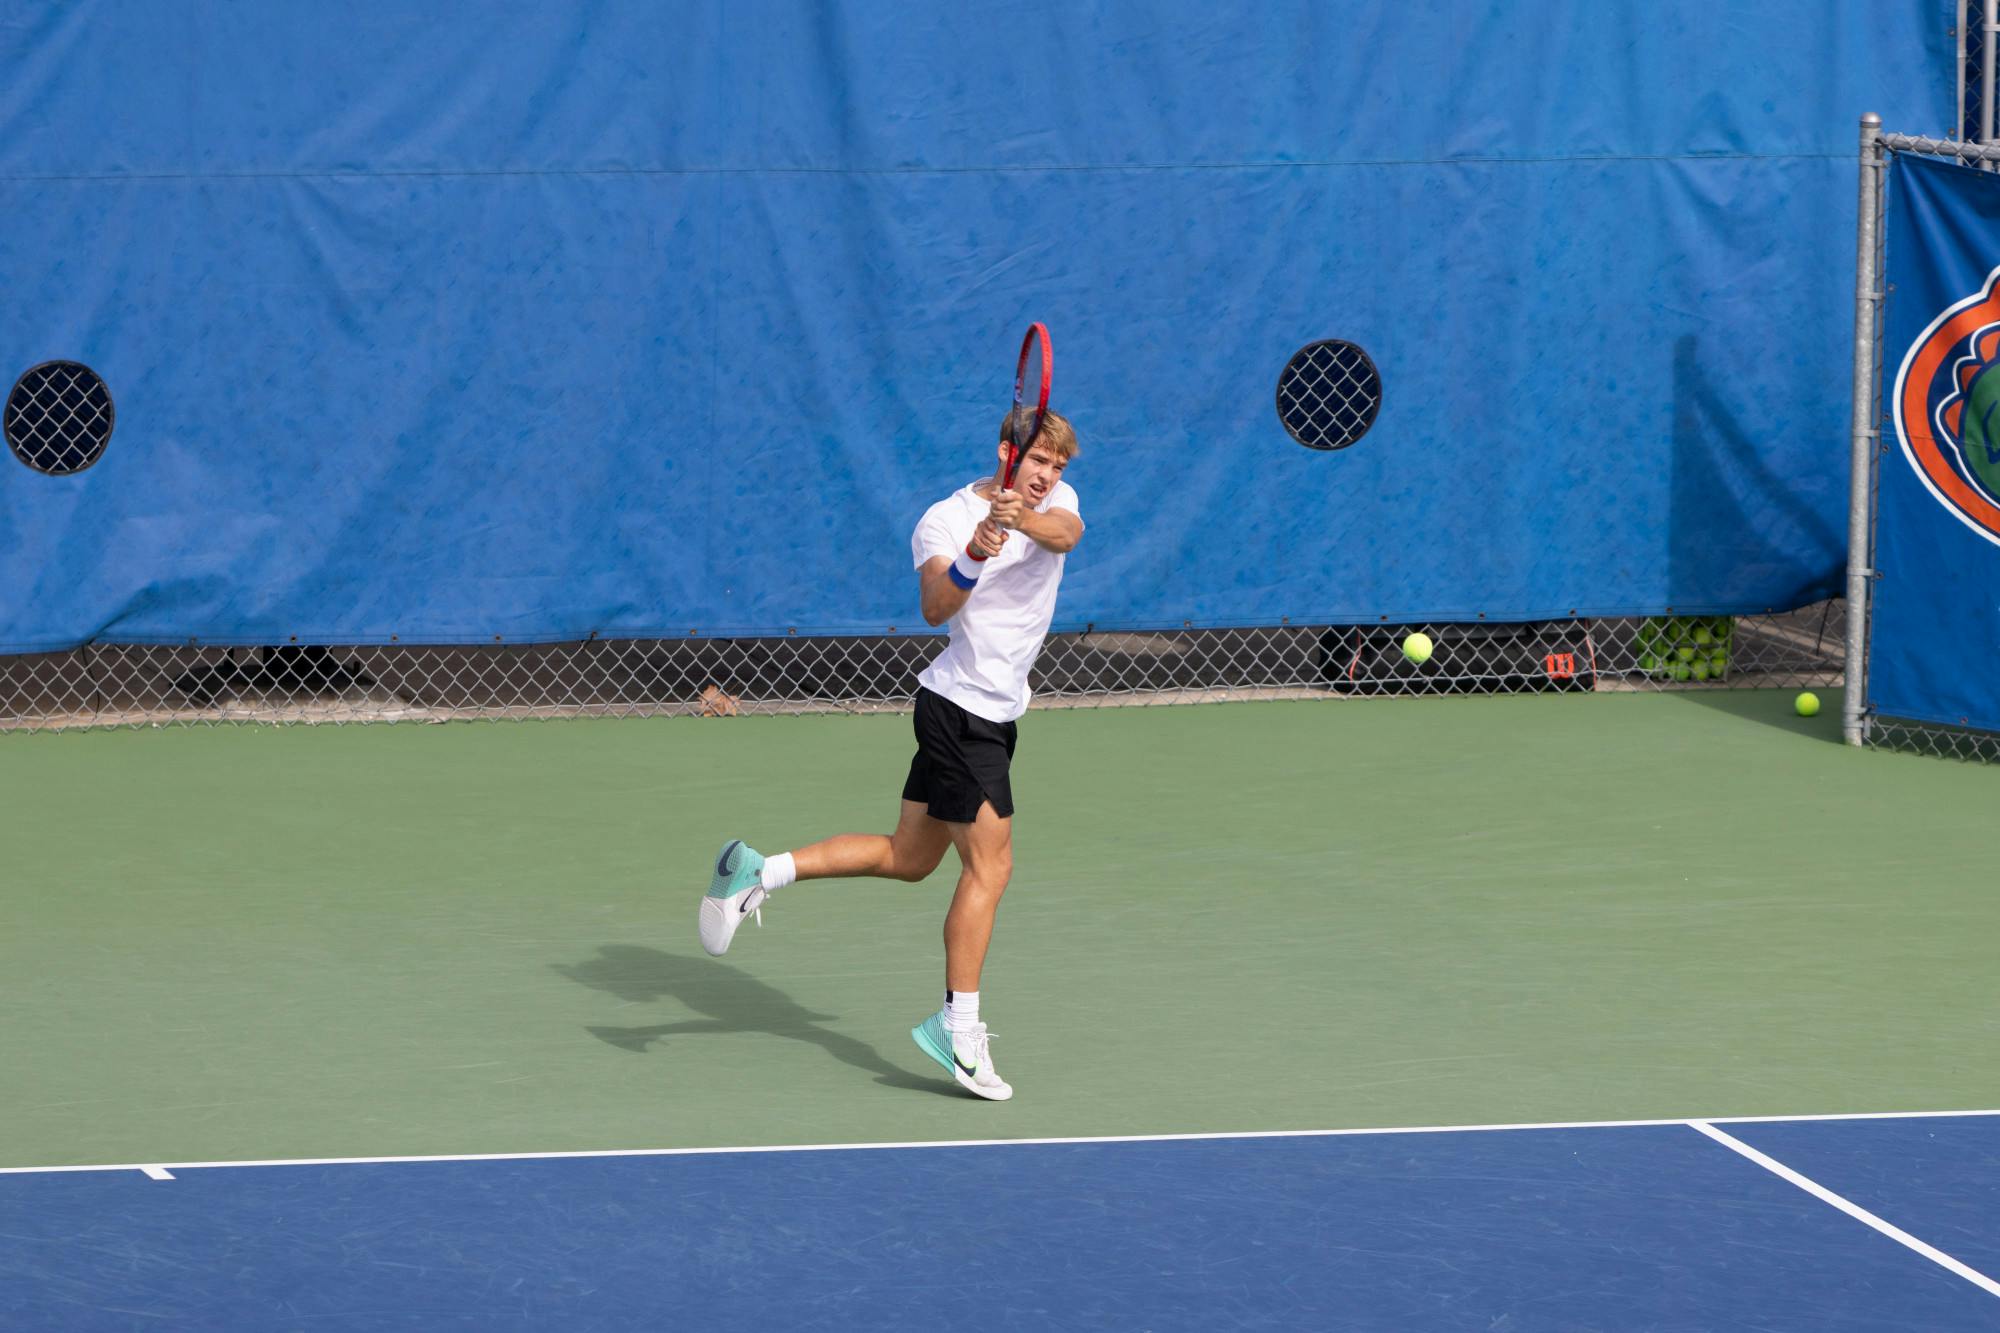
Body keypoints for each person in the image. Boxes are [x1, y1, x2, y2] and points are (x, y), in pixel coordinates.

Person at [698, 408, 1083, 1101]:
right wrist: (977, 546)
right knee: (991, 867)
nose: (1050, 476)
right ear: (1006, 452)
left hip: (992, 712)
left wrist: (1019, 518)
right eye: (1038, 462)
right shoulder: (941, 519)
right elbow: (936, 605)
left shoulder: (1051, 504)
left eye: (1058, 466)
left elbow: (1068, 534)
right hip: (960, 710)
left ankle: (759, 871)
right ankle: (958, 1028)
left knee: (911, 857)